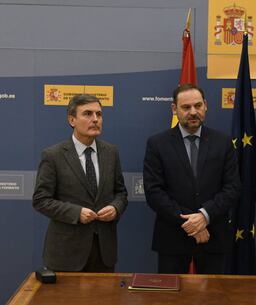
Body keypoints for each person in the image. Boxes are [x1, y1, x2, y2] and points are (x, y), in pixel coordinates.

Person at [143, 83, 241, 274]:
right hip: (172, 237)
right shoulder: (157, 143)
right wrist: (191, 224)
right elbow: (154, 192)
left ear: (205, 105)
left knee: (214, 297)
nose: (193, 112)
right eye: (186, 107)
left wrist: (204, 216)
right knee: (170, 298)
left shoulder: (223, 142)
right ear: (174, 109)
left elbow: (232, 187)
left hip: (214, 237)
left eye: (197, 105)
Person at [33, 94, 128, 272]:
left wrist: (115, 208)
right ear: (72, 119)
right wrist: (76, 213)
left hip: (104, 253)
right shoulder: (53, 155)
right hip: (66, 254)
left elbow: (121, 193)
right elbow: (40, 200)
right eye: (88, 114)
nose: (95, 119)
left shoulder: (111, 152)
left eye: (99, 114)